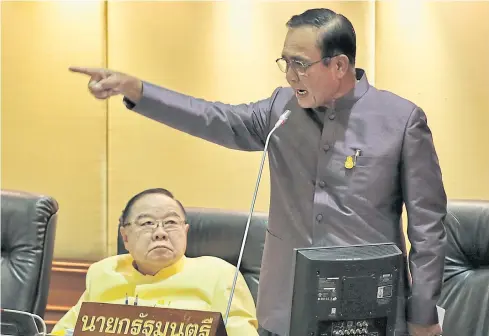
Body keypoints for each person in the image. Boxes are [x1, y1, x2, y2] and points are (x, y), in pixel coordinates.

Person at [69, 8, 447, 336]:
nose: (290, 76)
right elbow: (213, 118)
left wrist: (423, 311)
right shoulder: (281, 110)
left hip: (368, 308)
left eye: (301, 63)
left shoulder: (400, 121)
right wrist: (138, 90)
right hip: (285, 307)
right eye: (286, 62)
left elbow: (427, 227)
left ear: (339, 65)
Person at [51, 188, 258, 336]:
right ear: (125, 237)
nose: (160, 233)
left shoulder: (219, 275)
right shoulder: (104, 273)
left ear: (185, 231)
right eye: (147, 223)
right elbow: (64, 331)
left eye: (170, 223)